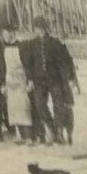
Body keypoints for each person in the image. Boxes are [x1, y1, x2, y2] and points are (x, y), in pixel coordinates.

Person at [19, 17, 78, 145]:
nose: (39, 31)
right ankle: (51, 128)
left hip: (54, 79)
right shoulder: (31, 44)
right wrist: (30, 80)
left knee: (58, 104)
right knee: (39, 104)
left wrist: (69, 78)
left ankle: (58, 132)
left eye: (41, 28)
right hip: (39, 80)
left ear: (46, 29)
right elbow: (28, 65)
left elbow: (64, 61)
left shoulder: (54, 43)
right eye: (36, 28)